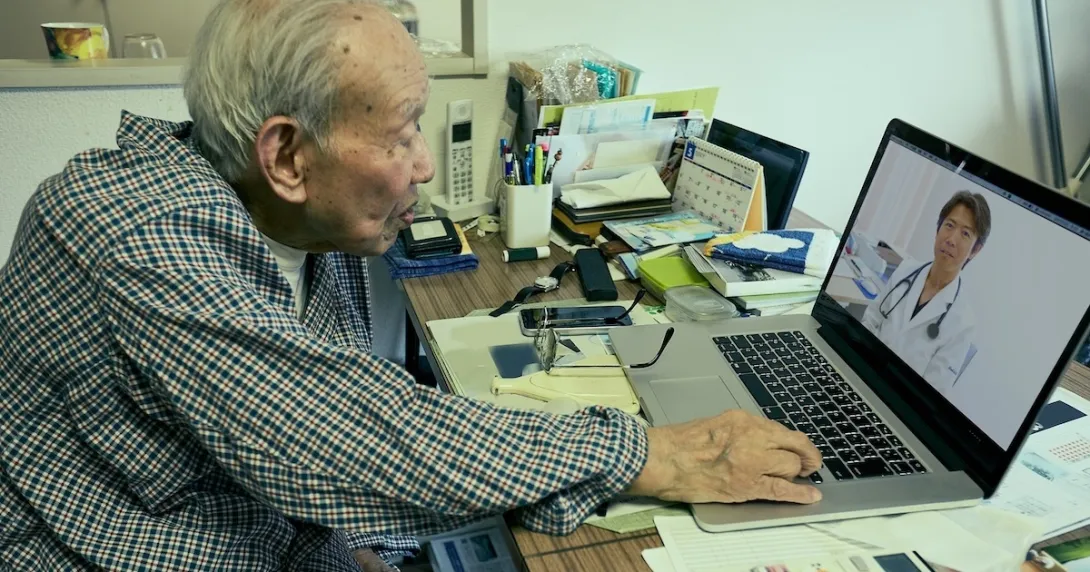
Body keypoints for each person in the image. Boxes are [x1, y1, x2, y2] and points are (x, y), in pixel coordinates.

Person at [0, 0, 821, 569]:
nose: (425, 166)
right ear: (286, 156)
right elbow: (346, 432)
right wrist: (656, 453)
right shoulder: (129, 228)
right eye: (400, 133)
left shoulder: (300, 222)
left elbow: (324, 445)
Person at [862, 190, 991, 393]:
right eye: (949, 225)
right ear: (938, 229)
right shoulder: (905, 271)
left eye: (965, 234)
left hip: (900, 402)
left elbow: (932, 391)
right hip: (862, 374)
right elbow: (870, 322)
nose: (951, 239)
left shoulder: (963, 322)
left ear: (975, 250)